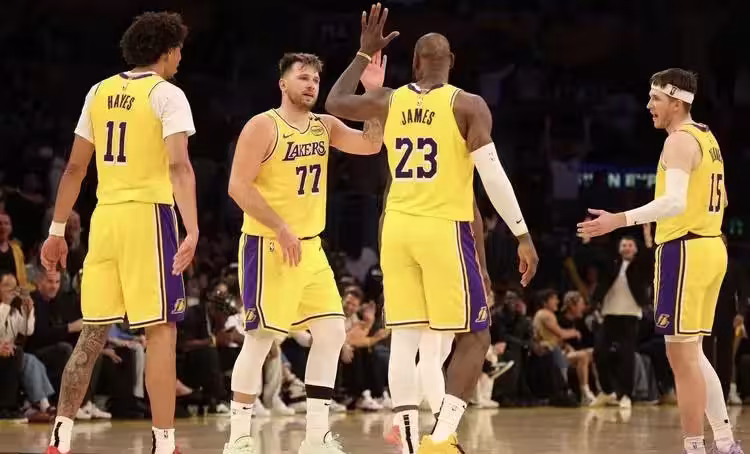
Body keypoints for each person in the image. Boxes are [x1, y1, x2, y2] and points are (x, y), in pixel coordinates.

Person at [325, 5, 538, 453]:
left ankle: (407, 445)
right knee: (475, 336)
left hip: (397, 227)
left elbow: (335, 102)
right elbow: (493, 176)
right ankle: (441, 440)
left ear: (415, 63)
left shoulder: (389, 100)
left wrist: (363, 54)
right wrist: (521, 233)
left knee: (405, 338)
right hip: (443, 228)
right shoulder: (467, 104)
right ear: (451, 62)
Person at [39, 11, 198, 454]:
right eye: (179, 50)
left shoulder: (99, 91)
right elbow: (179, 165)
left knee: (92, 332)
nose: (180, 58)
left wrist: (56, 230)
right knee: (161, 333)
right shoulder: (167, 94)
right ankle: (164, 444)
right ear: (167, 51)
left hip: (104, 219)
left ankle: (59, 439)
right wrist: (192, 228)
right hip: (149, 217)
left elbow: (75, 168)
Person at [222, 51, 385, 454]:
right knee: (260, 339)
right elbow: (238, 186)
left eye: (315, 79)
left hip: (310, 247)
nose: (311, 85)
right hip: (268, 245)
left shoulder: (324, 126)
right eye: (303, 78)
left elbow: (371, 144)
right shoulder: (263, 126)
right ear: (283, 83)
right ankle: (239, 437)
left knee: (331, 332)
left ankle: (316, 436)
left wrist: (373, 94)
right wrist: (280, 226)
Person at [578, 68, 741, 454]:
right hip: (710, 247)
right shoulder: (707, 136)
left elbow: (674, 203)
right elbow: (722, 199)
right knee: (693, 354)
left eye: (656, 98)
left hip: (685, 251)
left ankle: (694, 447)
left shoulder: (679, 141)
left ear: (677, 101)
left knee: (681, 357)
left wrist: (618, 220)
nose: (648, 105)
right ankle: (725, 442)